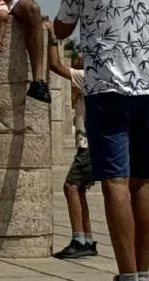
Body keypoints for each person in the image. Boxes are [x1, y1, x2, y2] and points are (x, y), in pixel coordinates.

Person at [53, 0, 149, 281]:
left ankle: (127, 274)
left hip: (107, 87)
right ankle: (145, 270)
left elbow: (63, 28)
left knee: (115, 181)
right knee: (143, 180)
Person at [47, 33, 97, 259]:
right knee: (79, 189)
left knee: (70, 187)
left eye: (84, 53)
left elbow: (55, 65)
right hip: (90, 144)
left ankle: (79, 240)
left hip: (90, 145)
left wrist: (51, 38)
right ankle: (87, 238)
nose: (79, 55)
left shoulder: (87, 76)